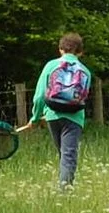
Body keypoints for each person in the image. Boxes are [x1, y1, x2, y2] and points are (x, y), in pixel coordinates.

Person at [30, 32, 93, 186]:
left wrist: (36, 117)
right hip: (74, 118)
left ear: (60, 49)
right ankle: (65, 192)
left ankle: (64, 188)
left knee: (63, 155)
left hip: (52, 115)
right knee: (68, 156)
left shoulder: (51, 65)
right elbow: (82, 97)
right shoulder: (85, 71)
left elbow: (39, 96)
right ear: (80, 52)